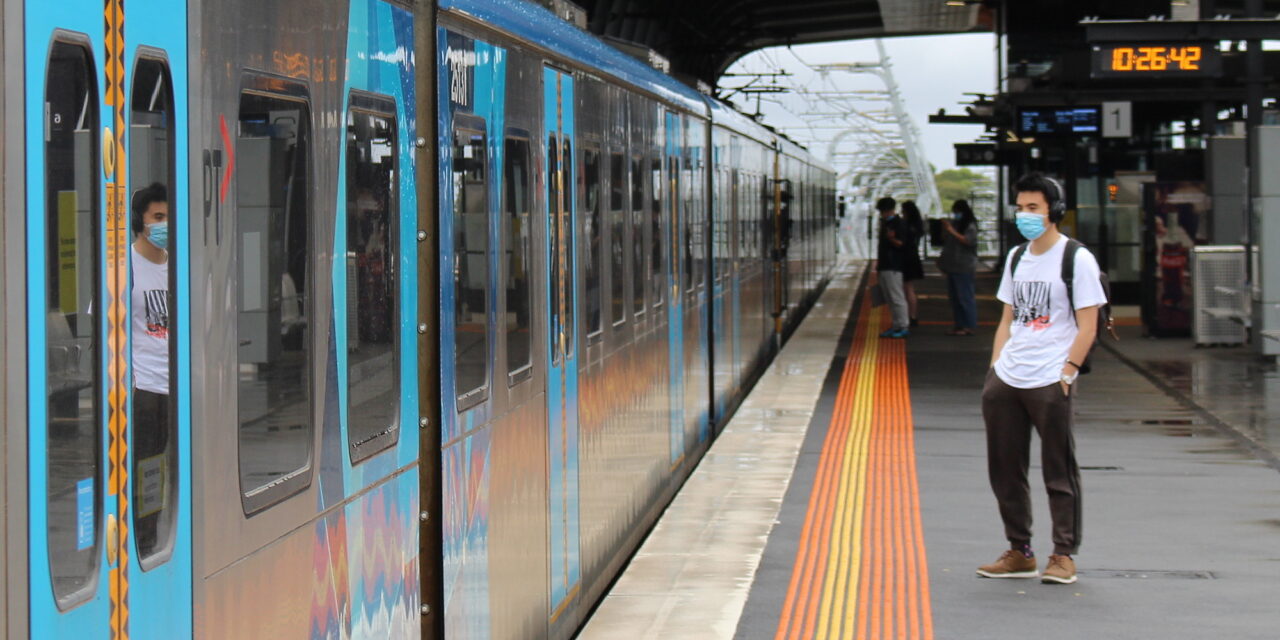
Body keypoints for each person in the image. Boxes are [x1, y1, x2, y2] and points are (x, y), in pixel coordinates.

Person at [977, 173, 1105, 585]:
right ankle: (1020, 551)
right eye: (1020, 207)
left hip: (1050, 378)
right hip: (1009, 378)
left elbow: (1088, 325)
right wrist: (996, 368)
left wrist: (1067, 372)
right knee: (1004, 468)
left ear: (1055, 212)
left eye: (1033, 208)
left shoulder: (1076, 258)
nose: (1024, 215)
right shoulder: (1017, 258)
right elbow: (1007, 318)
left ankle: (1063, 554)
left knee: (1058, 470)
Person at [129, 182, 172, 557]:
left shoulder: (178, 267)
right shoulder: (125, 267)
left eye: (168, 217)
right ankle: (144, 542)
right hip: (144, 390)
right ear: (140, 222)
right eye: (157, 217)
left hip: (177, 388)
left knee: (170, 469)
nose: (164, 224)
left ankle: (161, 537)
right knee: (147, 469)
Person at [938, 199, 979, 336]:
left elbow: (968, 241)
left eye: (957, 212)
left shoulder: (970, 225)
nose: (956, 215)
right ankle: (959, 325)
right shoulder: (956, 224)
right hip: (952, 266)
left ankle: (969, 325)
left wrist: (951, 230)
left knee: (965, 297)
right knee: (955, 298)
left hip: (965, 266)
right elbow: (946, 242)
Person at [875, 196, 910, 338]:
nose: (882, 214)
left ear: (889, 210)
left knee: (896, 297)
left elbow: (902, 244)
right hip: (885, 265)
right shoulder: (886, 223)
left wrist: (891, 238)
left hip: (894, 266)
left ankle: (903, 326)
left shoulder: (899, 224)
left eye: (883, 211)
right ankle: (896, 325)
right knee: (889, 298)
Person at [900, 201, 926, 327]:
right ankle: (913, 315)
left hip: (905, 259)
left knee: (905, 289)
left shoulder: (905, 225)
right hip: (913, 257)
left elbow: (901, 243)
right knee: (909, 288)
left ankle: (908, 316)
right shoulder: (918, 225)